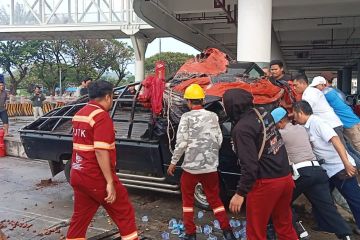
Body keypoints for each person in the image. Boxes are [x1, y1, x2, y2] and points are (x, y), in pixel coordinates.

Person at [66, 80, 139, 240]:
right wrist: (109, 182)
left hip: (77, 173)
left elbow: (85, 142)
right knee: (124, 213)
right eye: (112, 97)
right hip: (95, 176)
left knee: (79, 219)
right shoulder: (101, 116)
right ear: (107, 97)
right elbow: (100, 151)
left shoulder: (80, 114)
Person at [222, 88, 298, 240]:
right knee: (284, 226)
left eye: (224, 104)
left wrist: (240, 193)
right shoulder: (262, 113)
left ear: (233, 106)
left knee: (256, 232)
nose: (224, 108)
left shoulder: (241, 129)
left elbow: (250, 167)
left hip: (266, 184)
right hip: (285, 178)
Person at [271, 107, 352, 240]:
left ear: (279, 123)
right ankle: (346, 236)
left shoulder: (281, 134)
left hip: (301, 173)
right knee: (327, 207)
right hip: (318, 171)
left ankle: (300, 231)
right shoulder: (302, 129)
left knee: (281, 202)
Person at [167, 84, 235, 240]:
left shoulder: (186, 118)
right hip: (210, 167)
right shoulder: (213, 116)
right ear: (202, 100)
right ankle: (227, 231)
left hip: (191, 168)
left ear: (189, 102)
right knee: (215, 199)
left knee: (187, 201)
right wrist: (209, 156)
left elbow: (181, 143)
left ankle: (191, 234)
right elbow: (218, 140)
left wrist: (173, 162)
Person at [293, 100, 360, 234]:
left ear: (300, 113)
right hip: (326, 170)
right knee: (320, 197)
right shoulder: (306, 126)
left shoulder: (318, 123)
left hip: (339, 167)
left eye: (294, 114)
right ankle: (324, 224)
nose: (294, 118)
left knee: (354, 198)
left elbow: (335, 140)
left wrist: (346, 163)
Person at [293, 75, 346, 144]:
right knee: (345, 150)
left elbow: (304, 113)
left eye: (296, 85)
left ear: (303, 83)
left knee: (343, 152)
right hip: (331, 124)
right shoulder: (310, 92)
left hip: (331, 125)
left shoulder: (309, 94)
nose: (294, 88)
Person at [318, 72, 360, 152]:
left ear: (324, 81)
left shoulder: (325, 94)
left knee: (357, 148)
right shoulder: (337, 91)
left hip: (349, 124)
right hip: (355, 119)